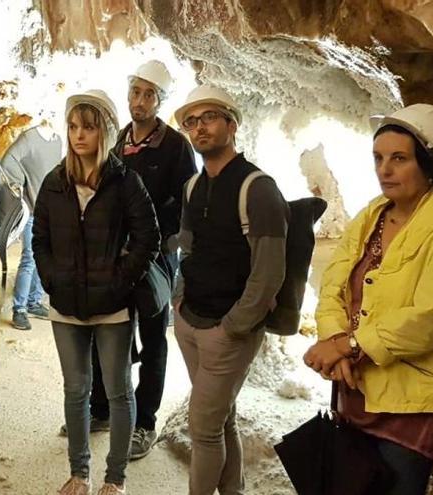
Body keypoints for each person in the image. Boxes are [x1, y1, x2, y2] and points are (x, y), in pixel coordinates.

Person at [304, 103, 433, 495]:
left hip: (411, 403)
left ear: (428, 163)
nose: (384, 170)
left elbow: (425, 322)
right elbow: (334, 282)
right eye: (379, 158)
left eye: (399, 159)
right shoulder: (372, 215)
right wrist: (335, 340)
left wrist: (346, 348)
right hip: (355, 390)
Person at [33, 89, 160, 495]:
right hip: (66, 305)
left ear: (103, 130)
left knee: (119, 390)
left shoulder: (125, 182)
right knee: (76, 389)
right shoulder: (55, 182)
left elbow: (149, 238)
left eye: (87, 127)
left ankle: (115, 478)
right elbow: (39, 239)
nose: (78, 135)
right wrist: (52, 279)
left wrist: (120, 281)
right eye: (72, 126)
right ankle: (79, 472)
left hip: (113, 307)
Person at [172, 85, 289, 495]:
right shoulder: (193, 186)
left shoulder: (257, 188)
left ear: (231, 124)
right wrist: (179, 299)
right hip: (191, 320)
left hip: (227, 330)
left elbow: (269, 270)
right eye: (191, 121)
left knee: (202, 428)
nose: (199, 128)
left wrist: (236, 325)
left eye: (208, 118)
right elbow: (188, 247)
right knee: (222, 419)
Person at [86, 60, 197, 459]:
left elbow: (186, 202)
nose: (140, 100)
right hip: (118, 256)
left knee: (152, 339)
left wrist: (149, 235)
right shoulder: (119, 141)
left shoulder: (176, 146)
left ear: (159, 100)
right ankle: (100, 409)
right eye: (136, 92)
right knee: (110, 330)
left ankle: (144, 422)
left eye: (149, 94)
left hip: (155, 258)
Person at [1, 119, 63, 330]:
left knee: (45, 257)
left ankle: (34, 301)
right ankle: (19, 309)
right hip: (31, 210)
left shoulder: (57, 140)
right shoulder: (29, 138)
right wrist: (19, 186)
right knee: (30, 258)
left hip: (50, 211)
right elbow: (8, 160)